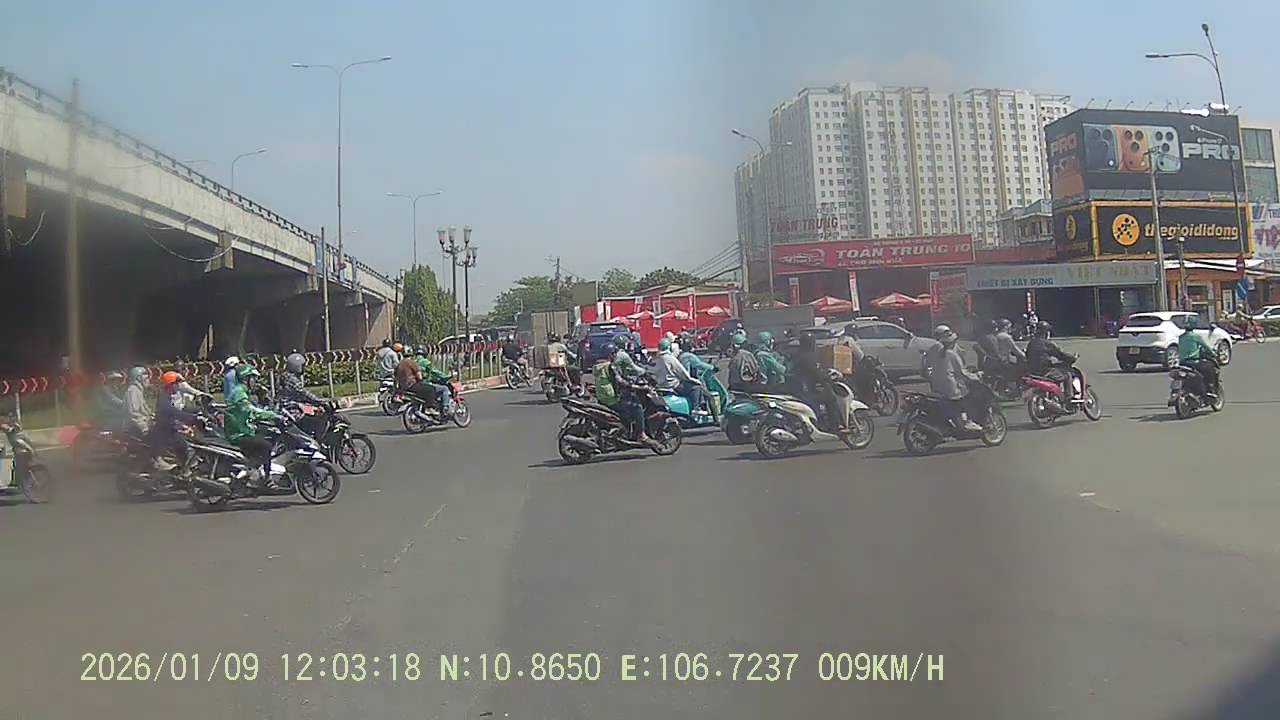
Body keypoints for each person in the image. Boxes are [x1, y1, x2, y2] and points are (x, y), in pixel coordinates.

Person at [223, 364, 281, 488]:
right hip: (238, 434)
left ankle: (255, 468)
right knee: (266, 446)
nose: (255, 381)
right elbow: (252, 411)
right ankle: (267, 479)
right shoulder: (239, 393)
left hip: (245, 429)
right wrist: (273, 415)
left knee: (270, 433)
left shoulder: (243, 391)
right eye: (253, 378)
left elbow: (250, 413)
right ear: (246, 378)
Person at [924, 325, 984, 432]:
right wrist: (976, 376)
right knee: (968, 396)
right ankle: (967, 421)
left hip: (935, 386)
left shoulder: (931, 350)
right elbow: (962, 373)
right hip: (951, 387)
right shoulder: (951, 354)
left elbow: (924, 368)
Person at [602, 339, 659, 449]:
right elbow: (622, 380)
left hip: (603, 397)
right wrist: (638, 386)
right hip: (614, 398)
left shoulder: (598, 366)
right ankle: (641, 435)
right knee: (637, 407)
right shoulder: (613, 364)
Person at [791, 335, 843, 430]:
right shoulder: (807, 357)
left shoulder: (799, 355)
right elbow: (815, 373)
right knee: (831, 399)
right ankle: (835, 425)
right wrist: (827, 376)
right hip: (808, 388)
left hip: (801, 386)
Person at [1026, 321, 1076, 400]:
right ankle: (1069, 397)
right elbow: (1060, 355)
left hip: (1032, 370)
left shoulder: (1031, 342)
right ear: (1046, 332)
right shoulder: (1047, 344)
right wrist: (1072, 358)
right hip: (1045, 370)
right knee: (1067, 375)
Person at [654, 337, 704, 413]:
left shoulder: (654, 359)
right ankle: (696, 409)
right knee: (696, 387)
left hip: (659, 387)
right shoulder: (670, 358)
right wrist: (693, 380)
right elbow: (683, 374)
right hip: (673, 386)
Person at [1176, 314, 1220, 397]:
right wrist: (1213, 354)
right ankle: (1209, 389)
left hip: (1182, 363)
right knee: (1210, 368)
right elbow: (1206, 347)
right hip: (1194, 363)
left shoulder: (1181, 337)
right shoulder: (1195, 336)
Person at [123, 366, 154, 441]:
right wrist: (145, 428)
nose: (149, 381)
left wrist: (152, 416)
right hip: (135, 429)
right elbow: (134, 414)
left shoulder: (138, 390)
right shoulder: (133, 390)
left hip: (142, 424)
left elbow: (145, 410)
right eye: (146, 378)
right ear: (139, 378)